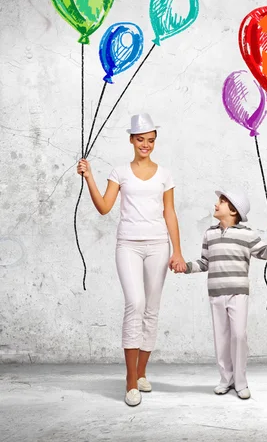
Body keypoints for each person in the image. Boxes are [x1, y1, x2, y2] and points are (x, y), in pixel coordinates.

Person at [77, 113, 185, 407]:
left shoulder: (165, 174)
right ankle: (129, 380)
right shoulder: (120, 172)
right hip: (128, 245)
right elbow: (104, 207)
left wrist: (177, 250)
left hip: (158, 245)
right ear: (131, 140)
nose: (145, 145)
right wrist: (89, 177)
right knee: (134, 303)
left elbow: (170, 213)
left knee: (151, 309)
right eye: (140, 140)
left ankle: (141, 373)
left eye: (150, 140)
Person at [171, 188, 267, 399]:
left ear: (233, 210)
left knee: (238, 335)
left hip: (238, 293)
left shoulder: (247, 234)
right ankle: (226, 380)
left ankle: (240, 382)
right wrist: (185, 266)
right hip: (216, 293)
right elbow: (204, 263)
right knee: (221, 338)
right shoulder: (209, 234)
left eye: (220, 201)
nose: (215, 204)